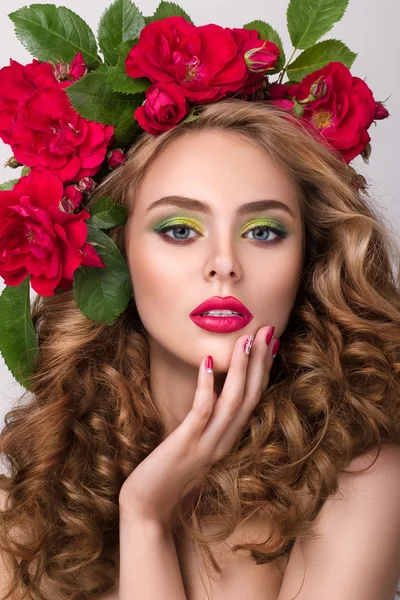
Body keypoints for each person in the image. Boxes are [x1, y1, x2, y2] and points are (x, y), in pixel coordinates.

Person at [1, 98, 400, 600]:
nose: (224, 264)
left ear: (309, 259)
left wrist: (145, 518)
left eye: (262, 232)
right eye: (179, 229)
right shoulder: (20, 521)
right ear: (116, 254)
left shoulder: (358, 485)